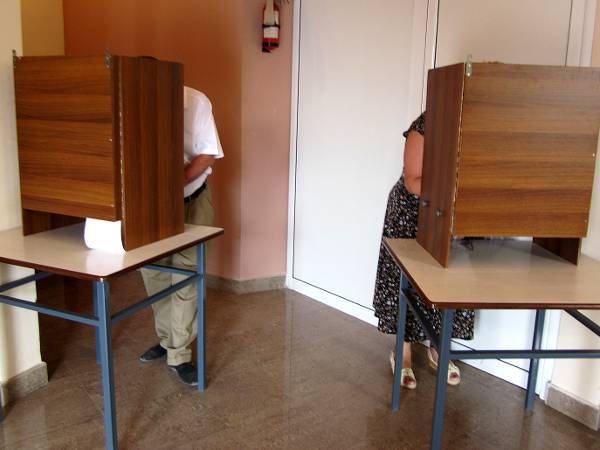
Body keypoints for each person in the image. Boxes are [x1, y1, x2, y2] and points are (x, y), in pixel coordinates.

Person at [372, 112, 474, 389]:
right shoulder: (425, 126)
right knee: (405, 281)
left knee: (449, 281)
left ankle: (438, 349)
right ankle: (402, 352)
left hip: (451, 213)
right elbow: (412, 180)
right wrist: (453, 190)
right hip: (412, 214)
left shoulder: (478, 126)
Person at [138, 86, 224, 386]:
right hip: (152, 205)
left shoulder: (196, 101)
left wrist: (173, 184)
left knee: (186, 276)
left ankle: (179, 354)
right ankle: (168, 341)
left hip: (192, 200)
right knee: (155, 274)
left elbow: (208, 154)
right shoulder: (132, 98)